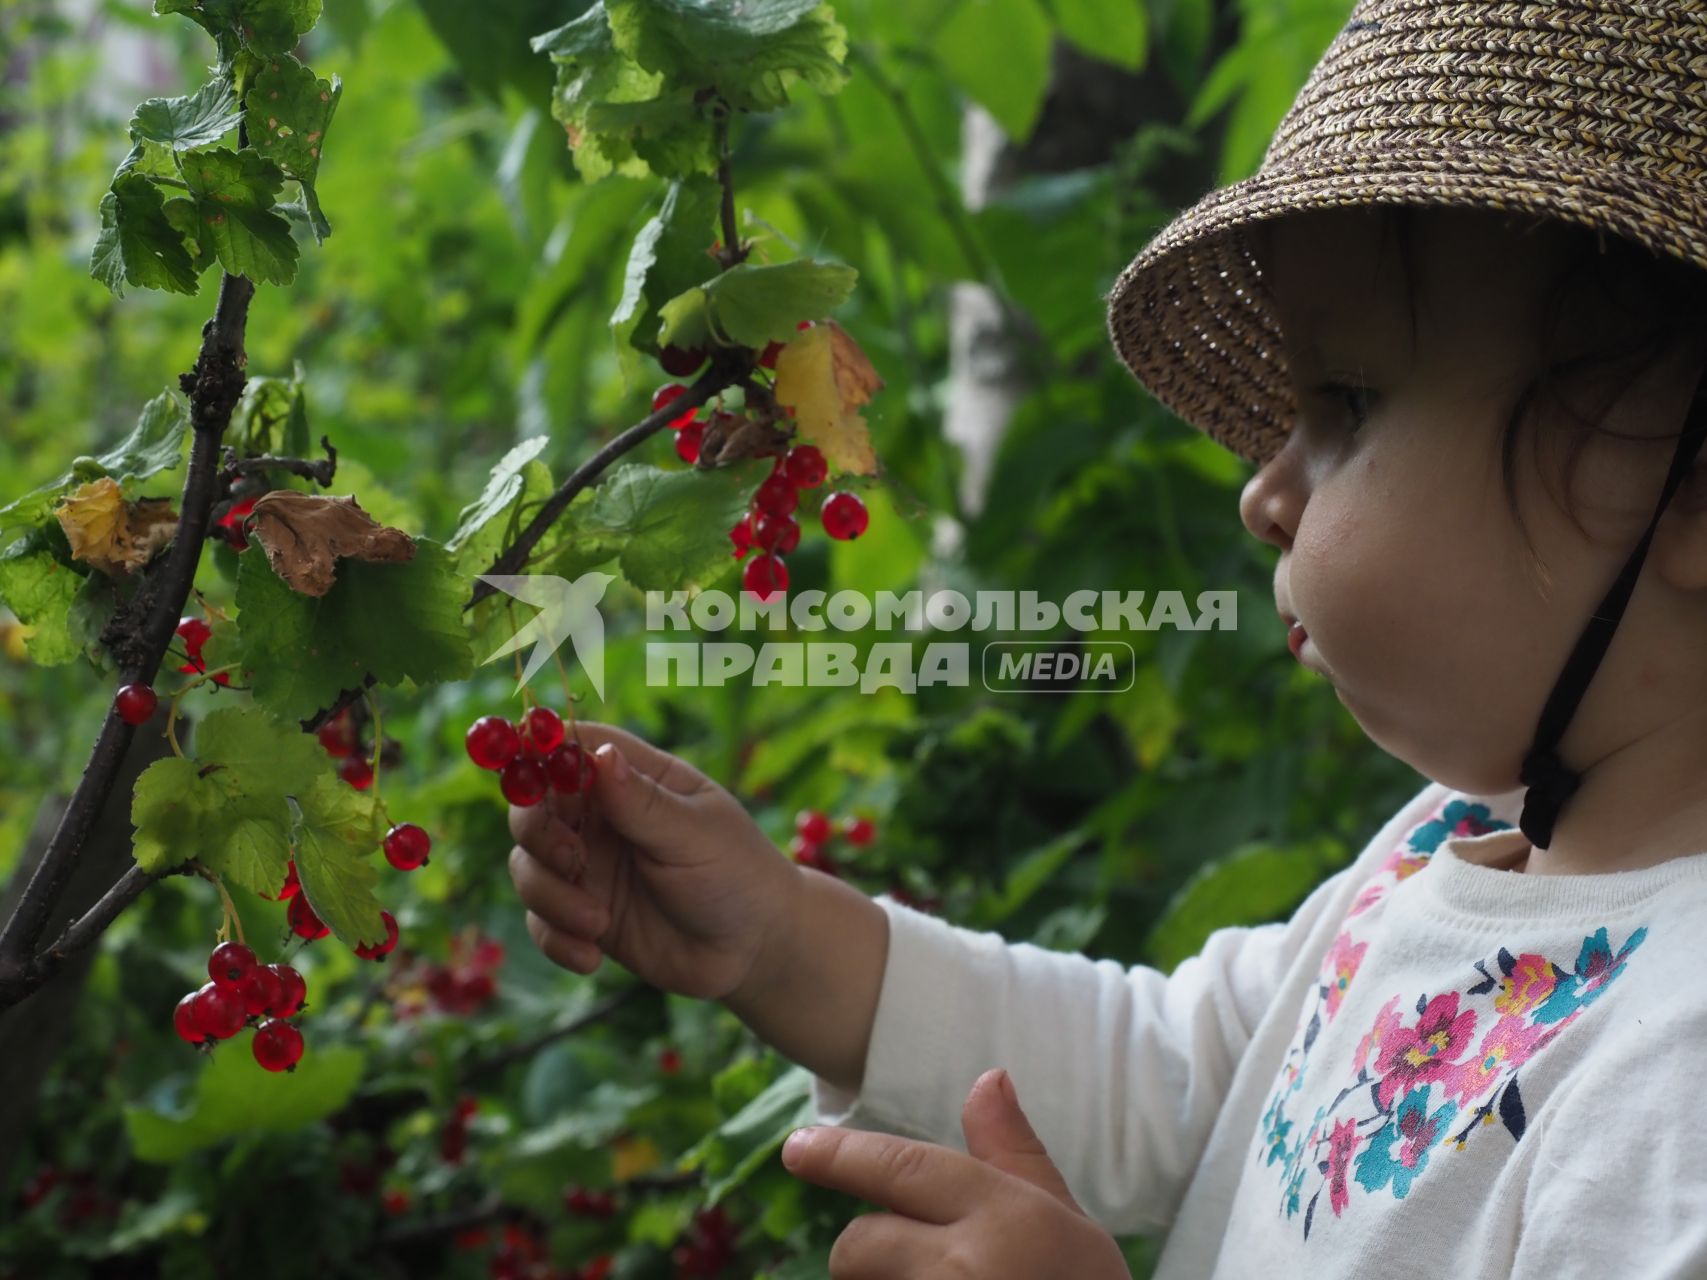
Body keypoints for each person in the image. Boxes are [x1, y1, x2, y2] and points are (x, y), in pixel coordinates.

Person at [508, 2, 1707, 1275]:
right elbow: (1168, 1072)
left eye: (1347, 403)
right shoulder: (1442, 842)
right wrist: (783, 937)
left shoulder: (1676, 1078)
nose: (1263, 490)